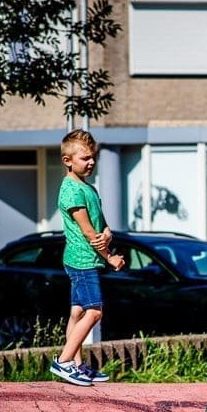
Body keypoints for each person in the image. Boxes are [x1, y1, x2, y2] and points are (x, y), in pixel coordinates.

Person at [50, 129, 125, 387]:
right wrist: (110, 257)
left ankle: (78, 366)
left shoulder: (88, 188)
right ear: (67, 160)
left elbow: (100, 225)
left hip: (86, 257)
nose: (91, 162)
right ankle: (63, 361)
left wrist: (108, 233)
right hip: (82, 259)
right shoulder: (71, 190)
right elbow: (87, 231)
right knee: (94, 311)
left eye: (93, 157)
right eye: (85, 158)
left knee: (77, 311)